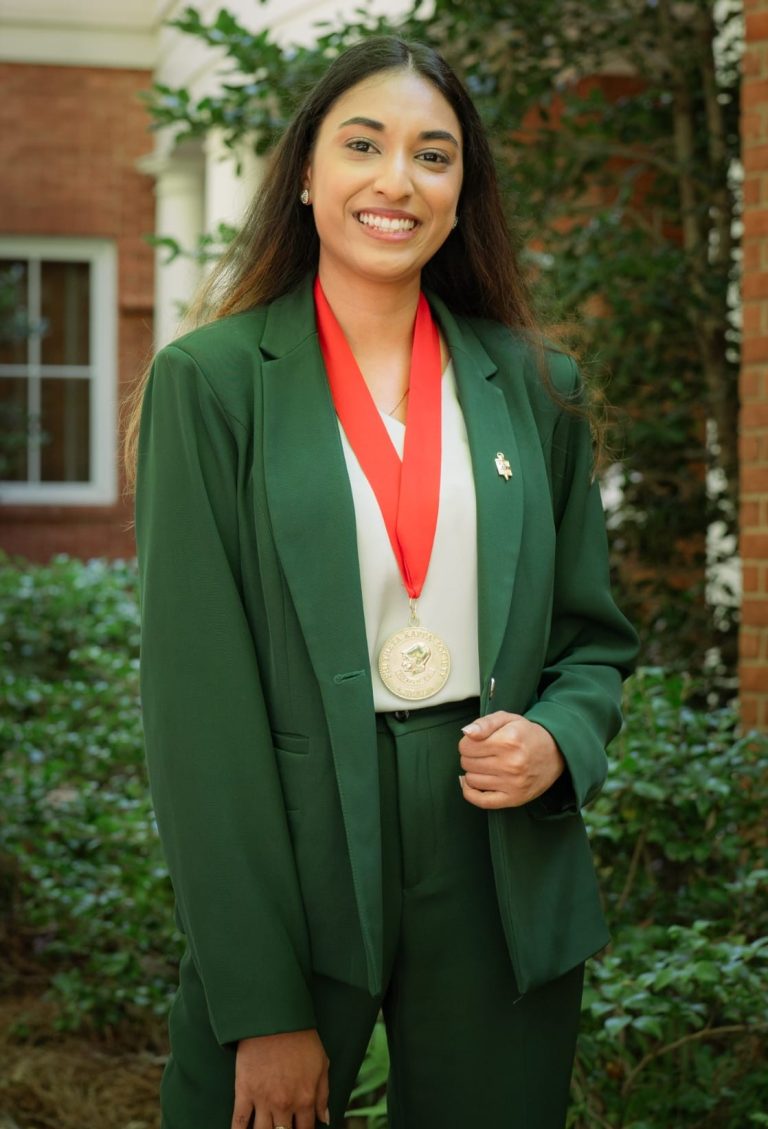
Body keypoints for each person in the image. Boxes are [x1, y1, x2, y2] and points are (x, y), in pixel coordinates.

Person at [128, 34, 639, 1129]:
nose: (397, 180)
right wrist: (261, 1003)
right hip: (301, 844)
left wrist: (559, 740)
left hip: (499, 852)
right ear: (306, 175)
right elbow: (196, 712)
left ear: (462, 192)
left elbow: (592, 641)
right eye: (363, 145)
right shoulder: (210, 384)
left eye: (433, 155)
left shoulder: (538, 387)